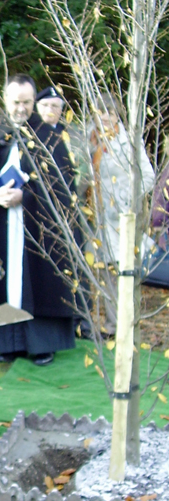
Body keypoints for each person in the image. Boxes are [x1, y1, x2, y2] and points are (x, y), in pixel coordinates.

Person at [0, 74, 76, 366]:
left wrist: (24, 198)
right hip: (1, 225)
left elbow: (63, 188)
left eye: (27, 102)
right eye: (16, 102)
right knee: (4, 280)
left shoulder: (50, 137)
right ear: (5, 100)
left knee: (35, 280)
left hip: (37, 229)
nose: (21, 108)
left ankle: (41, 344)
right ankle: (7, 342)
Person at [88, 93, 154, 335]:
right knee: (103, 274)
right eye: (100, 111)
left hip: (120, 220)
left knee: (121, 272)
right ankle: (111, 325)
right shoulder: (89, 139)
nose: (105, 117)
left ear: (117, 116)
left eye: (110, 112)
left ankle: (125, 326)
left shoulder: (129, 142)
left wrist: (126, 201)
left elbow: (147, 177)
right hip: (94, 217)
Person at [37, 86, 93, 339]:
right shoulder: (32, 135)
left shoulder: (72, 137)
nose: (51, 111)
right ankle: (57, 323)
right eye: (46, 105)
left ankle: (82, 323)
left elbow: (84, 174)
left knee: (78, 268)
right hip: (42, 216)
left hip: (72, 215)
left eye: (56, 106)